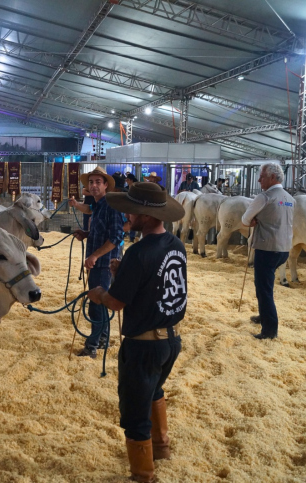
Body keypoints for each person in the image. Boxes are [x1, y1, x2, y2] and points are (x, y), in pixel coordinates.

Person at [86, 181, 186, 482]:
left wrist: (101, 293)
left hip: (143, 347)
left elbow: (116, 303)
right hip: (171, 341)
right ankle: (161, 448)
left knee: (135, 415)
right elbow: (157, 286)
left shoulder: (138, 253)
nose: (126, 215)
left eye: (132, 211)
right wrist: (123, 275)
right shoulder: (176, 246)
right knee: (155, 391)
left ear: (147, 215)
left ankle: (144, 475)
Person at [68, 166, 124, 359]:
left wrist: (95, 256)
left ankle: (91, 346)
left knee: (96, 304)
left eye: (98, 182)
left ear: (106, 185)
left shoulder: (111, 205)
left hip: (103, 263)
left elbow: (116, 236)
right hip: (98, 261)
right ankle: (102, 339)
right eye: (91, 182)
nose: (93, 186)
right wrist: (86, 234)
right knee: (98, 303)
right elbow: (101, 229)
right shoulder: (99, 204)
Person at [241, 163, 294, 340]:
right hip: (284, 249)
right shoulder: (289, 198)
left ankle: (270, 330)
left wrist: (252, 222)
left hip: (267, 248)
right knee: (266, 286)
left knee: (264, 289)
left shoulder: (264, 197)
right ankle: (264, 316)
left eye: (262, 176)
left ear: (272, 178)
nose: (258, 179)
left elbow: (245, 219)